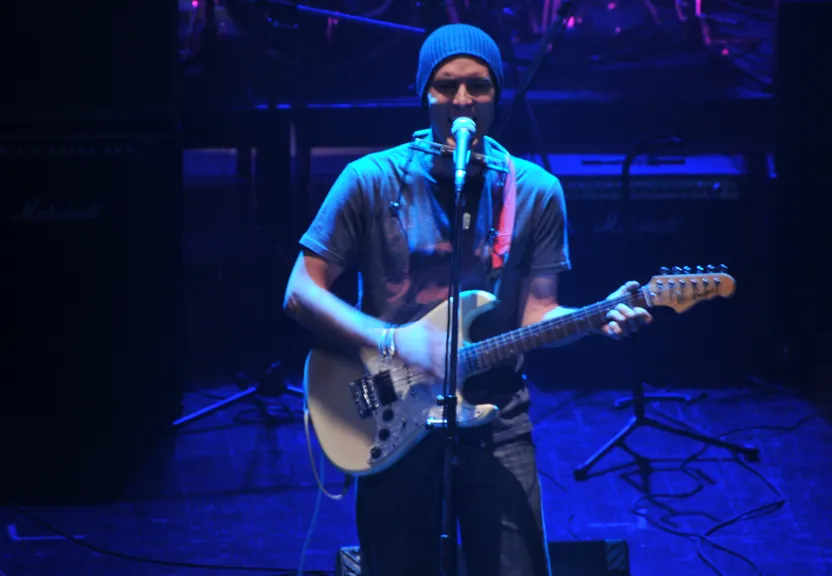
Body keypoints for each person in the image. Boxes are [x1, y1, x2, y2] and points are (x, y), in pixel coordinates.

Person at [283, 23, 653, 576]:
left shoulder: (535, 191)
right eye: (446, 85)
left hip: (497, 413)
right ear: (423, 94)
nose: (462, 101)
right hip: (389, 404)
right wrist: (392, 338)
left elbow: (538, 315)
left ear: (496, 96)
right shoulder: (368, 179)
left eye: (479, 87)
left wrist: (594, 320)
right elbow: (299, 292)